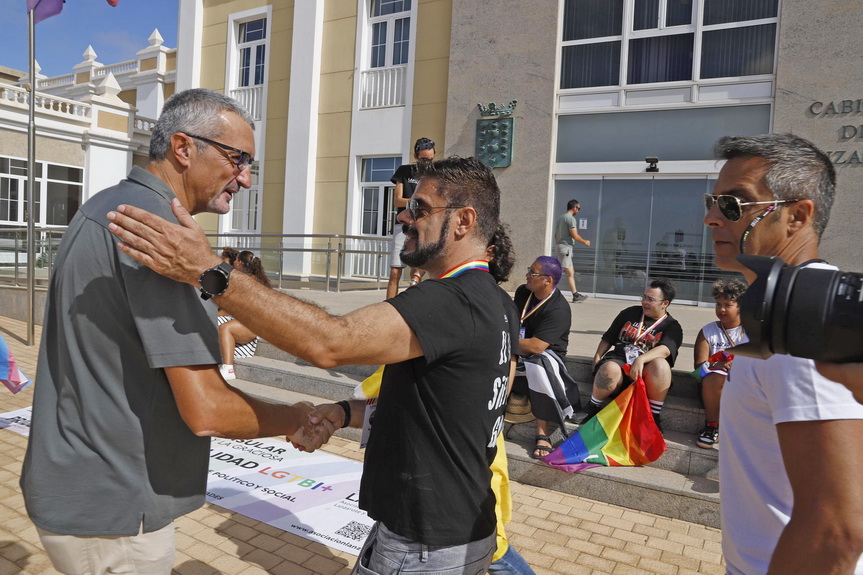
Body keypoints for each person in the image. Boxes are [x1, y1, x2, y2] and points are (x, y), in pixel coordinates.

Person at [106, 156, 520, 575]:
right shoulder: (496, 301)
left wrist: (209, 270)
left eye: (421, 208)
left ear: (464, 221)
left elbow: (330, 342)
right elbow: (447, 409)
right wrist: (343, 413)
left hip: (424, 545)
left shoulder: (450, 301)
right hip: (450, 530)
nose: (404, 217)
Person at [19, 89, 331, 575]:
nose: (246, 179)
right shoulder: (161, 237)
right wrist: (294, 418)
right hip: (115, 510)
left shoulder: (107, 206)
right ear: (184, 148)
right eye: (238, 159)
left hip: (80, 488)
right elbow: (207, 409)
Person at [705, 133, 863, 574]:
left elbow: (836, 532)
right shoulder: (786, 313)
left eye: (733, 204)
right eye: (712, 202)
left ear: (797, 216)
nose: (711, 218)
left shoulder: (807, 329)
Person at [583, 278, 683, 432]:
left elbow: (665, 349)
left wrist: (641, 359)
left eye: (651, 299)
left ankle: (653, 416)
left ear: (665, 303)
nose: (645, 302)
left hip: (644, 376)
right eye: (644, 297)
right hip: (619, 364)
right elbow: (608, 338)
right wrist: (597, 357)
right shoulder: (630, 313)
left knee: (662, 365)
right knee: (609, 368)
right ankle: (593, 406)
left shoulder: (672, 326)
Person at [509, 256, 575, 459]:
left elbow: (537, 346)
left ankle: (542, 433)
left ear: (548, 280)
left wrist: (503, 340)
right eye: (529, 270)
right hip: (519, 348)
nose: (527, 275)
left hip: (548, 357)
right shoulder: (523, 292)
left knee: (539, 364)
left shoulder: (559, 309)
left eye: (533, 272)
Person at [691, 277, 748, 449]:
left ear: (740, 306)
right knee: (716, 376)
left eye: (728, 305)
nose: (721, 309)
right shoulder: (708, 331)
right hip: (713, 386)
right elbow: (698, 366)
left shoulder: (753, 331)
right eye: (718, 304)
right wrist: (718, 365)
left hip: (744, 387)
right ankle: (712, 426)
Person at [386, 137, 436, 299]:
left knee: (418, 270)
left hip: (424, 225)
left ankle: (413, 303)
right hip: (403, 226)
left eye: (430, 159)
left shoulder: (435, 175)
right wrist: (417, 202)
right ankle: (389, 306)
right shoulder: (404, 171)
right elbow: (397, 200)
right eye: (423, 159)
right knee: (395, 272)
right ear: (415, 156)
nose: (427, 163)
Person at [218, 250, 272, 380]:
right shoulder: (250, 279)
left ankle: (228, 368)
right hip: (244, 321)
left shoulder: (247, 282)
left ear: (239, 263)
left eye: (236, 260)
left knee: (225, 328)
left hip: (253, 326)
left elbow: (232, 308)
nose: (233, 263)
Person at [553, 199, 591, 303]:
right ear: (574, 207)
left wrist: (559, 244)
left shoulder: (560, 218)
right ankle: (548, 292)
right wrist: (585, 241)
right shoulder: (570, 219)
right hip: (565, 248)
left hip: (561, 247)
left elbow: (556, 235)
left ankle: (575, 295)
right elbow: (575, 235)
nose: (578, 210)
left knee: (570, 272)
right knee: (559, 272)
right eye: (578, 208)